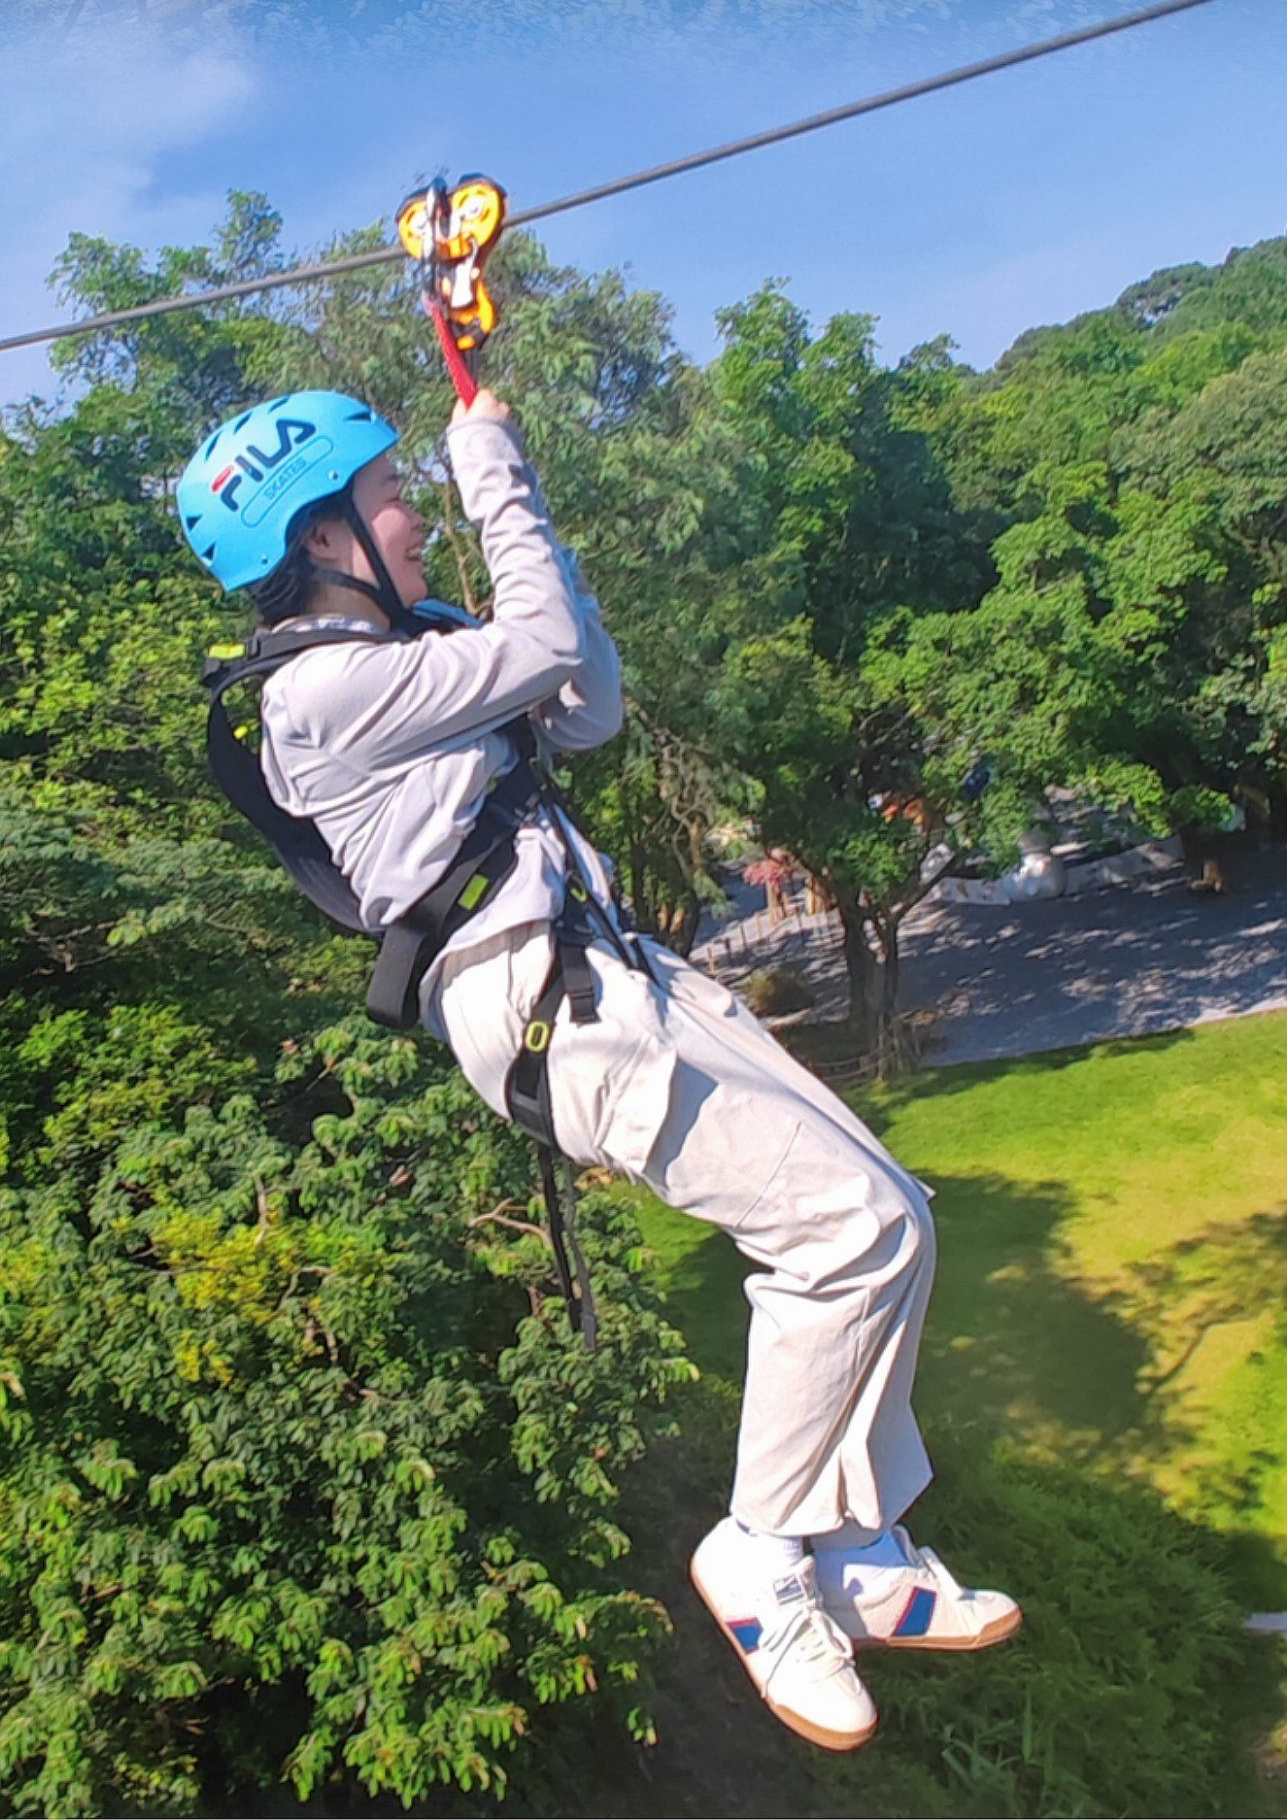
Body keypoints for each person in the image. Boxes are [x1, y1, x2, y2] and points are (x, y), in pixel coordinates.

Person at [177, 380, 1021, 1760]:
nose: (422, 521)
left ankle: (854, 1547)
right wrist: (488, 452)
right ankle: (760, 1554)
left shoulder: (419, 646)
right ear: (322, 539)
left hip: (616, 972)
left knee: (894, 1213)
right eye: (395, 500)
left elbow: (586, 702)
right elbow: (547, 646)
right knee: (841, 1235)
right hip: (555, 1011)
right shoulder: (321, 693)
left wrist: (528, 535)